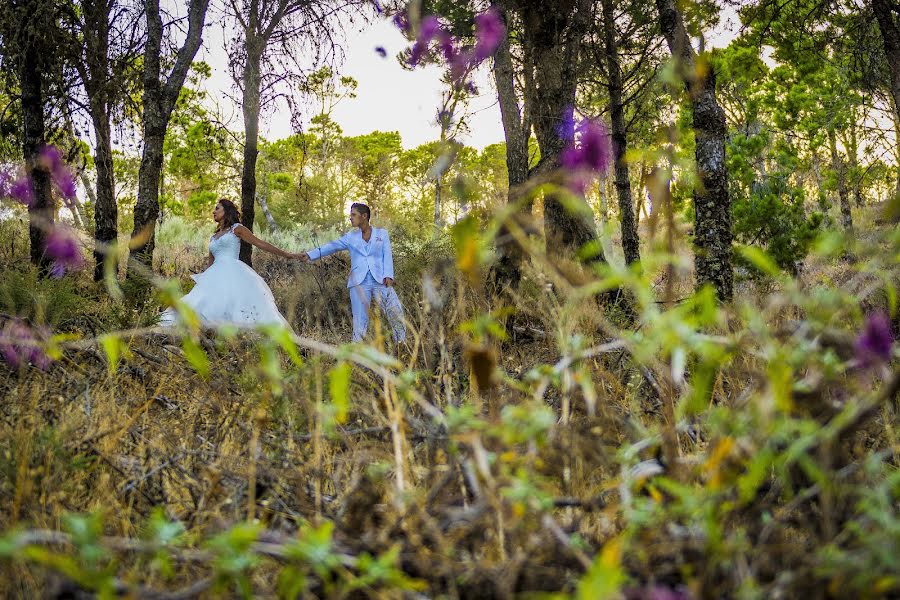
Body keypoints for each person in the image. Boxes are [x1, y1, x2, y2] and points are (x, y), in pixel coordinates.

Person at [161, 199, 301, 329]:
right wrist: (202, 283)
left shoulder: (237, 229)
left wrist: (287, 254)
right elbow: (210, 263)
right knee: (203, 304)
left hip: (234, 271)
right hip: (215, 274)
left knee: (236, 305)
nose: (213, 212)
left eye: (217, 208)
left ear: (226, 211)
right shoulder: (213, 237)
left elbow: (260, 243)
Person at [299, 203, 406, 343]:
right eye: (350, 215)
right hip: (358, 282)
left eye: (353, 215)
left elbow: (388, 255)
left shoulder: (382, 234)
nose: (350, 218)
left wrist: (389, 276)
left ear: (364, 216)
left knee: (395, 312)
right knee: (360, 320)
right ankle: (358, 352)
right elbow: (332, 246)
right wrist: (309, 255)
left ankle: (402, 344)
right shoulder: (350, 237)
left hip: (381, 280)